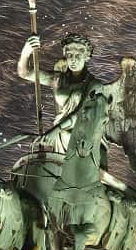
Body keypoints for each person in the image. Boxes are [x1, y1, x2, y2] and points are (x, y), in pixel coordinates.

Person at [17, 32, 105, 163]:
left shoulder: (95, 85)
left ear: (86, 57)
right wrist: (26, 50)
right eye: (69, 55)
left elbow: (81, 113)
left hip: (83, 137)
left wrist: (56, 130)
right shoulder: (58, 79)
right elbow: (24, 73)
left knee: (64, 136)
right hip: (60, 133)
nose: (73, 60)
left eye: (77, 56)